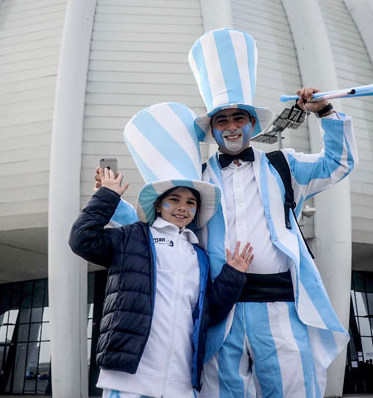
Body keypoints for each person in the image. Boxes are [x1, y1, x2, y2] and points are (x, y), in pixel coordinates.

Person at [102, 29, 358, 397]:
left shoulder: (285, 166)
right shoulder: (198, 179)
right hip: (223, 310)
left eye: (239, 118)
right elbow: (157, 229)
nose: (232, 127)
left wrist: (326, 112)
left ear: (253, 124)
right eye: (222, 121)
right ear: (212, 131)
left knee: (293, 390)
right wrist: (112, 202)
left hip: (282, 306)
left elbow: (339, 162)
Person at [70, 103, 254, 397]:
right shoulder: (132, 238)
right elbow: (82, 239)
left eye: (190, 202)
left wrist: (233, 276)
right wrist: (106, 196)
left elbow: (208, 313)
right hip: (128, 378)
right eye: (174, 200)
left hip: (180, 381)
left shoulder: (200, 256)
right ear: (158, 205)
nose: (182, 208)